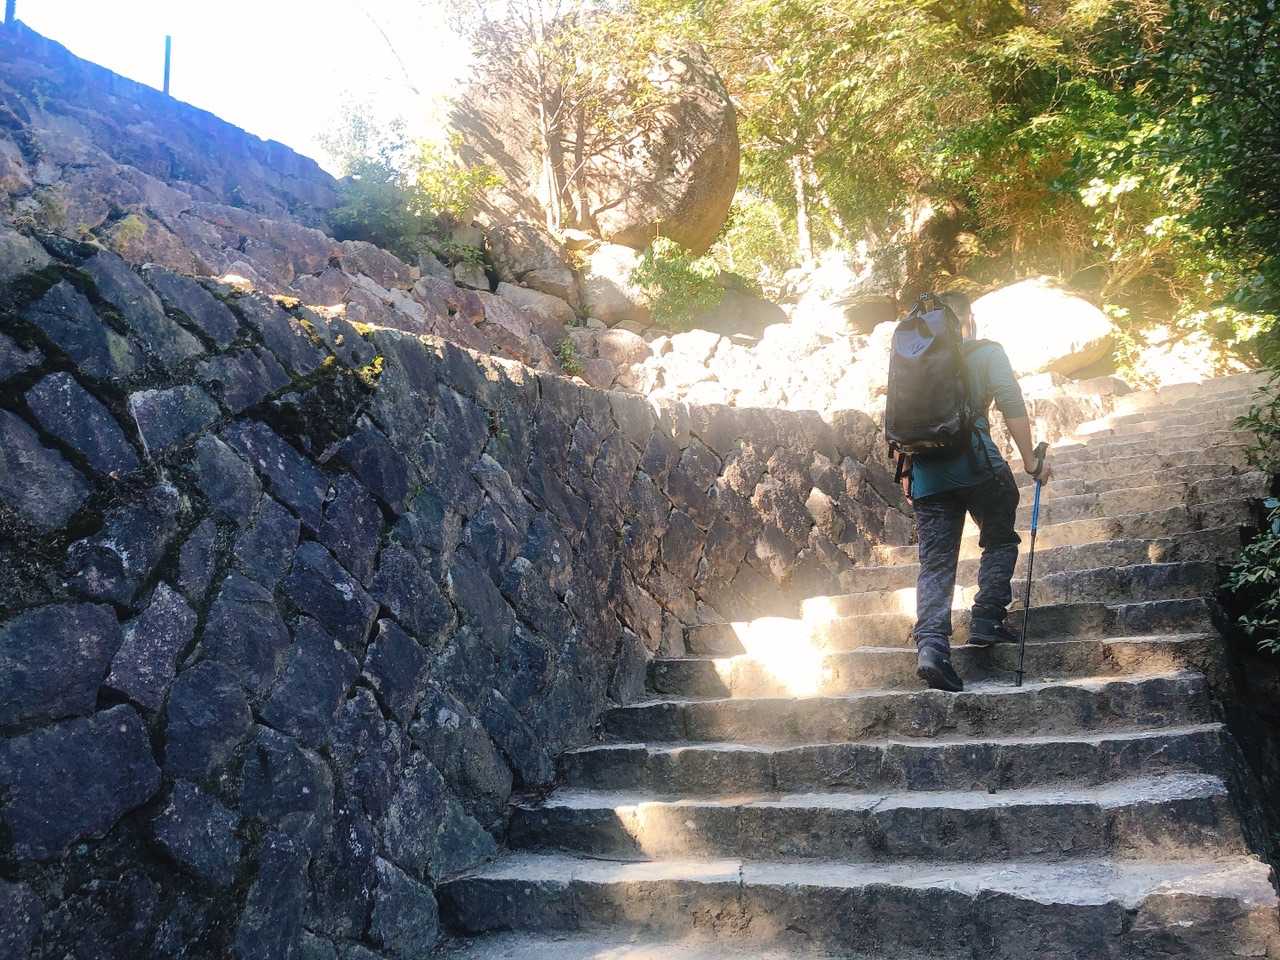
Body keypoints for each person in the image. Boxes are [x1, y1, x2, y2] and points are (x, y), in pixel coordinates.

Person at [898, 291, 1053, 692]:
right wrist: (1031, 462)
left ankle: (932, 648)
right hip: (979, 466)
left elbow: (899, 415)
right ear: (968, 319)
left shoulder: (912, 358)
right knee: (999, 538)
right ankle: (986, 616)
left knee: (935, 564)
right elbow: (1011, 401)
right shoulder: (986, 352)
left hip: (927, 475)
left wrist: (906, 470)